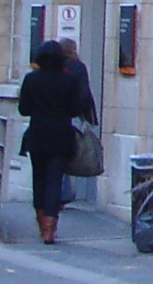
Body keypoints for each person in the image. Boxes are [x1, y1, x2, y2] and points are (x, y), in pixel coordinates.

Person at [16, 40, 97, 245]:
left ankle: (41, 223)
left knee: (39, 181)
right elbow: (73, 109)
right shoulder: (68, 80)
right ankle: (50, 230)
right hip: (61, 136)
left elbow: (24, 109)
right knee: (54, 181)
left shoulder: (31, 79)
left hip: (37, 135)